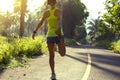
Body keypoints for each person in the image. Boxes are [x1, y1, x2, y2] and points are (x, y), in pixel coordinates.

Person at [32, 0, 66, 79]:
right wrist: (34, 32)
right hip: (50, 35)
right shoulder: (46, 13)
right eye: (50, 2)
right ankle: (53, 73)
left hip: (59, 34)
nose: (52, 4)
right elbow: (41, 22)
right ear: (48, 4)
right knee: (51, 55)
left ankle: (59, 46)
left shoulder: (58, 11)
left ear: (55, 3)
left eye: (53, 2)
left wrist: (59, 32)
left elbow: (59, 21)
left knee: (62, 54)